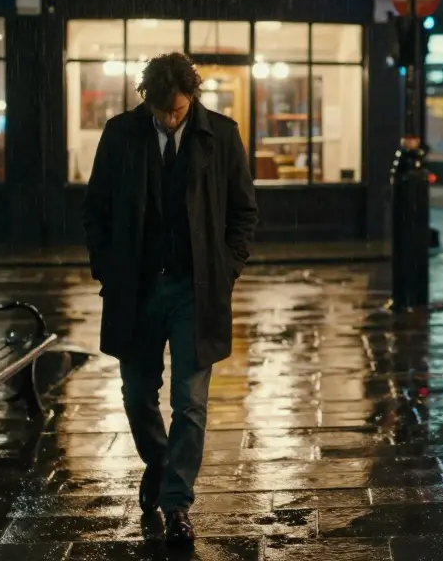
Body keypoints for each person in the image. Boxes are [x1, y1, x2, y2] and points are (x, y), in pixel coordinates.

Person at [82, 52, 258, 547]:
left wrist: (226, 269)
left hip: (195, 290)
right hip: (136, 288)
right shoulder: (121, 133)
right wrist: (108, 270)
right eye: (160, 111)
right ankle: (160, 461)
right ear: (147, 100)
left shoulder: (220, 134)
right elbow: (95, 210)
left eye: (177, 110)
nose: (169, 119)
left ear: (192, 97)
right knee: (137, 395)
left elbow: (244, 211)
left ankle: (177, 503)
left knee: (190, 401)